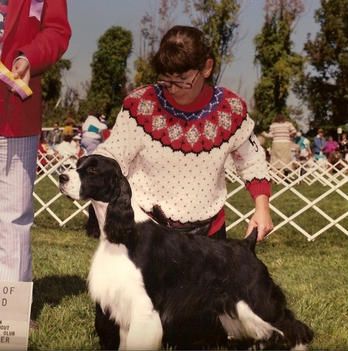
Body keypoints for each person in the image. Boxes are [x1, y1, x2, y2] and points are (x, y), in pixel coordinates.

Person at [95, 25, 273, 242]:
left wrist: (262, 208)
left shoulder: (231, 109)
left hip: (209, 236)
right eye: (166, 80)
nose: (173, 88)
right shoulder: (140, 105)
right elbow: (112, 154)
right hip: (146, 234)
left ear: (207, 68)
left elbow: (252, 161)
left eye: (182, 79)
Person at [0, 0, 71, 282]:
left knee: (14, 217)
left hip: (17, 113)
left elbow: (57, 30)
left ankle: (11, 315)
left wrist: (29, 57)